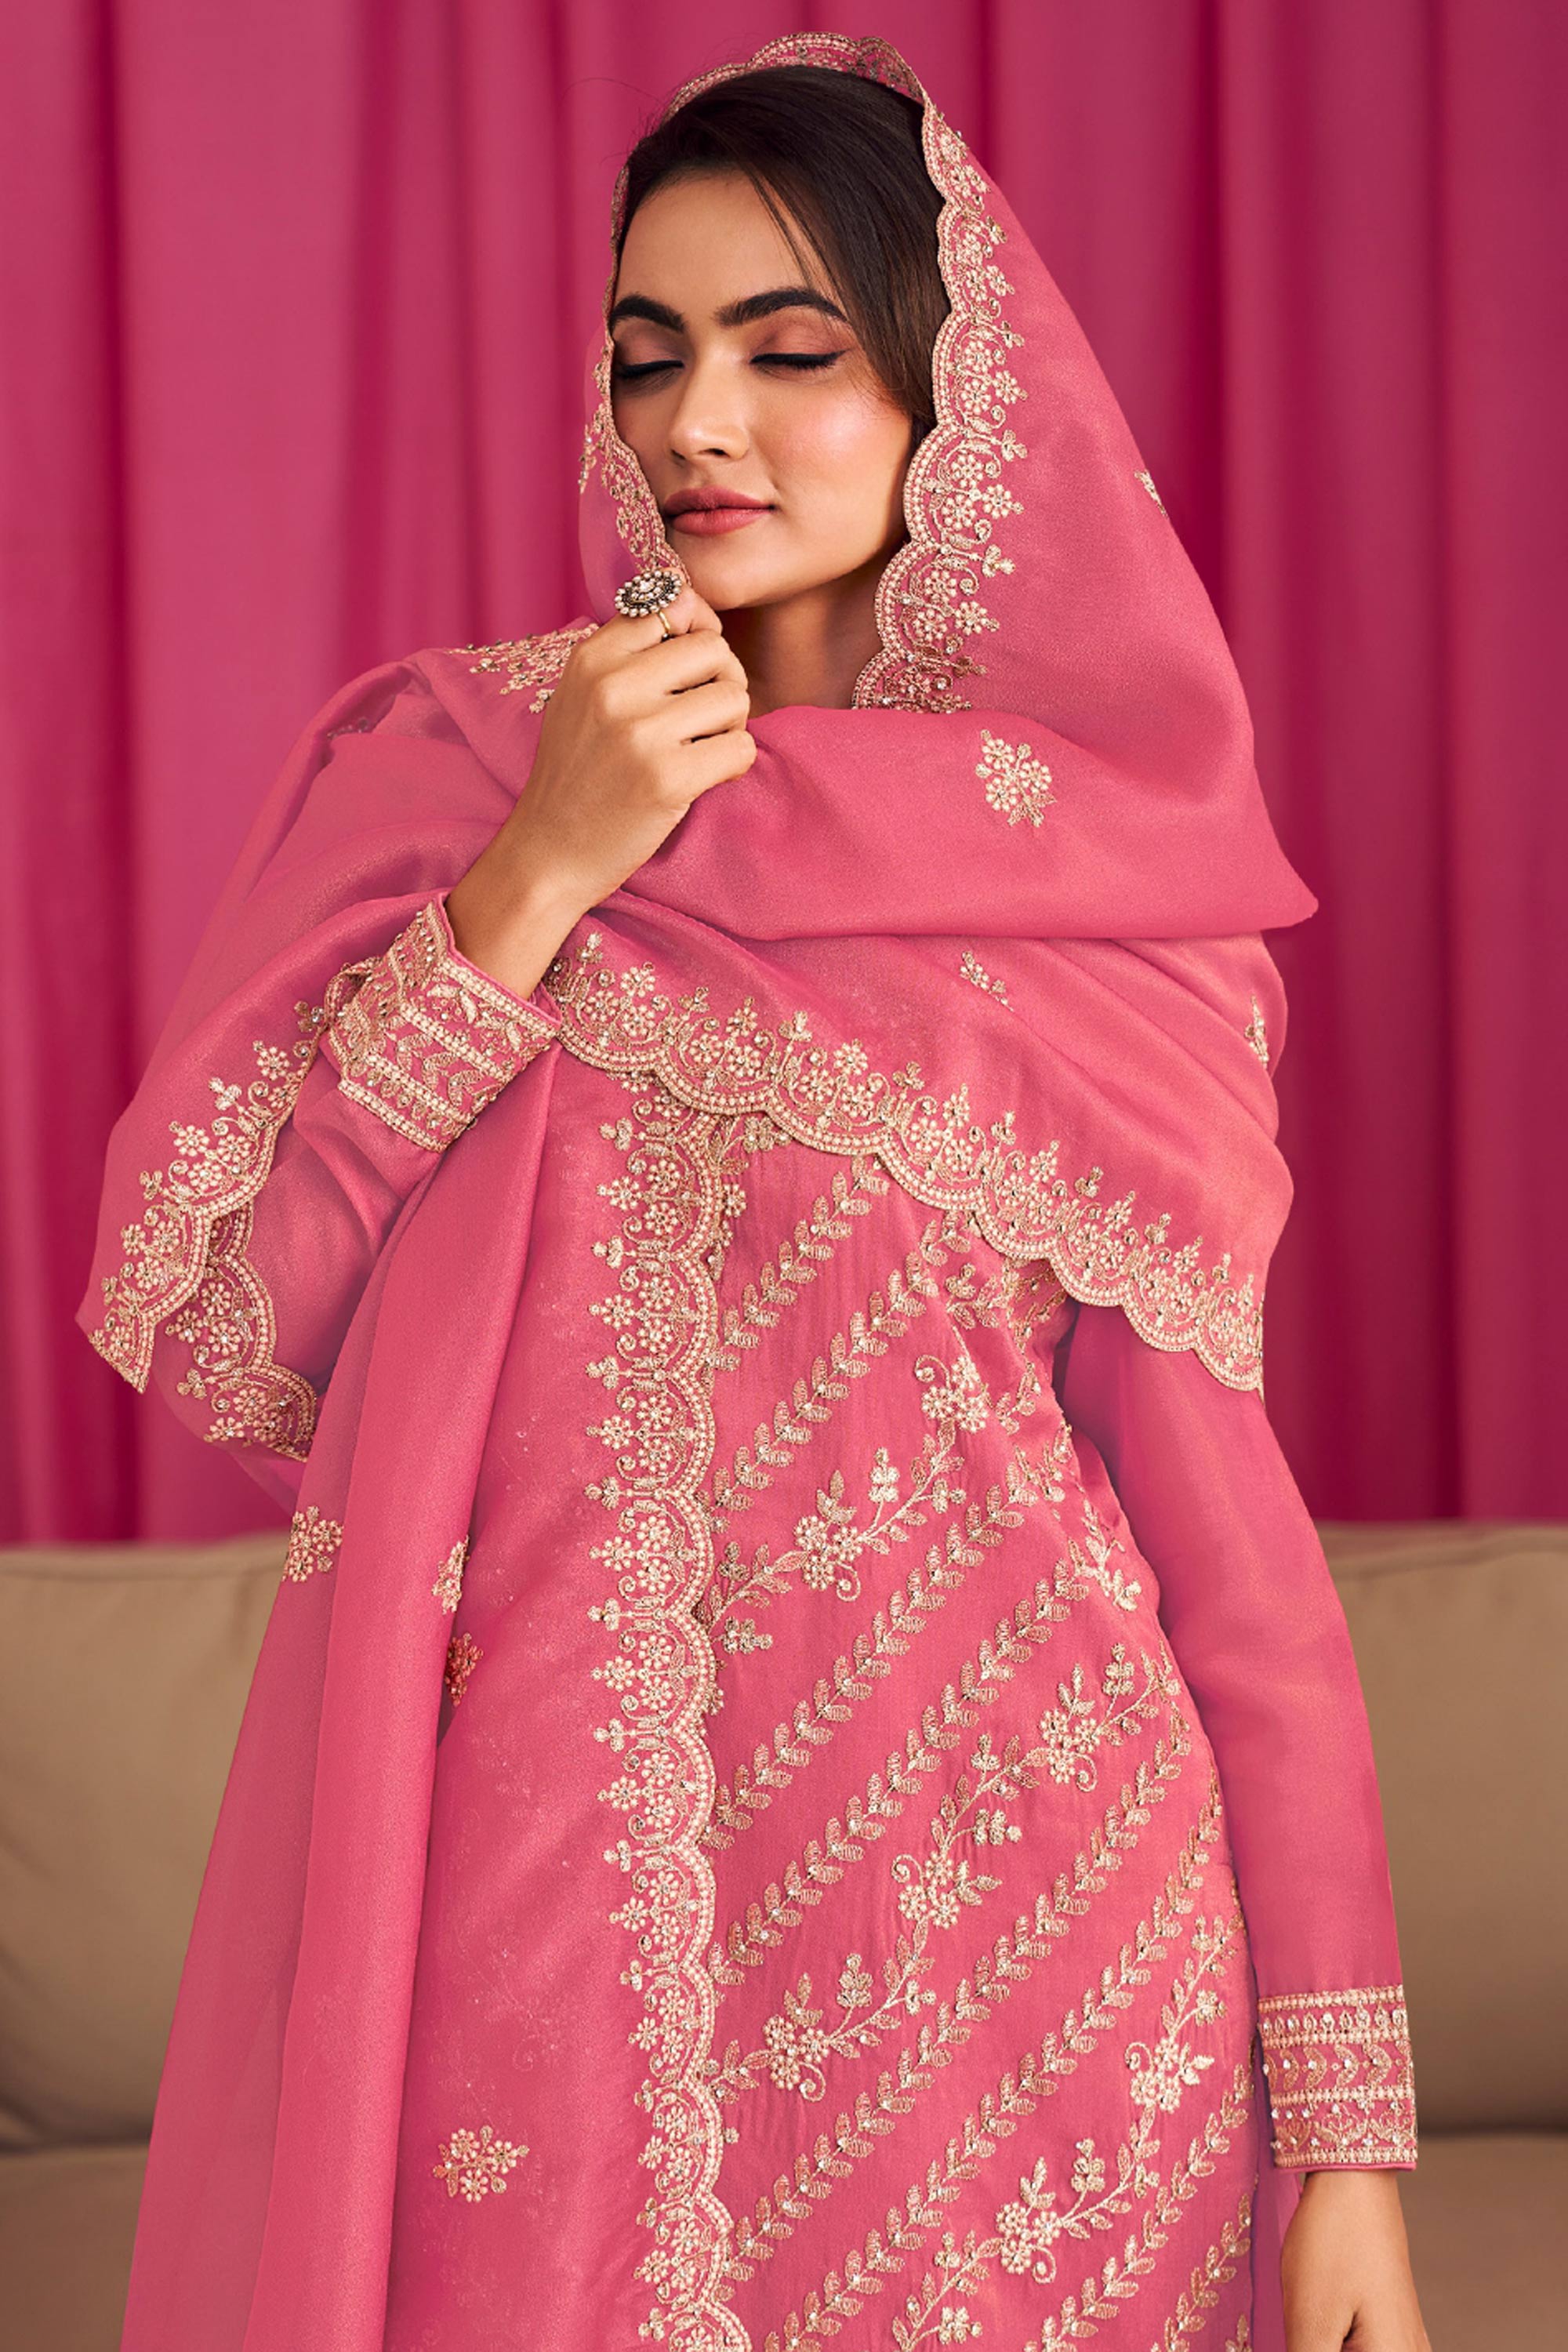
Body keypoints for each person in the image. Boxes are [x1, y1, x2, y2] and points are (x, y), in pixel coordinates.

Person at [79, 32, 1428, 2352]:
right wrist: (535, 878)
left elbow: (1236, 1570)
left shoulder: (1109, 897)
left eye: (793, 351)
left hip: (1035, 1973)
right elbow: (221, 1314)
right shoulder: (458, 778)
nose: (698, 419)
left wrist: (1353, 2163)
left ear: (954, 398)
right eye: (650, 353)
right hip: (549, 1945)